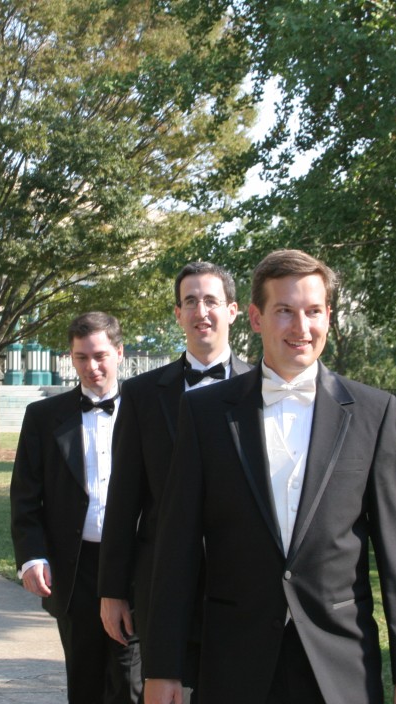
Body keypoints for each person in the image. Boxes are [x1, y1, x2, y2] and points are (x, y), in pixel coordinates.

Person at [143, 250, 396, 704]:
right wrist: (164, 667)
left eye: (313, 311)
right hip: (234, 661)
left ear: (328, 317)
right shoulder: (204, 413)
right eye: (284, 311)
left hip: (340, 664)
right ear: (255, 318)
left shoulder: (373, 412)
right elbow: (176, 548)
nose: (301, 327)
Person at [98, 262, 251, 700]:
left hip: (242, 582)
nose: (201, 311)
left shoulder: (262, 389)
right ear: (178, 314)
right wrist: (112, 591)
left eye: (211, 301)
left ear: (233, 310)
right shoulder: (143, 394)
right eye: (190, 301)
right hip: (163, 585)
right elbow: (123, 498)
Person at [10, 312, 141, 703]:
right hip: (75, 567)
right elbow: (25, 495)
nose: (91, 366)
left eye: (100, 356)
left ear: (120, 353)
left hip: (134, 564)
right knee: (84, 680)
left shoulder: (147, 409)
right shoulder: (43, 416)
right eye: (81, 357)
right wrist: (31, 556)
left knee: (129, 680)